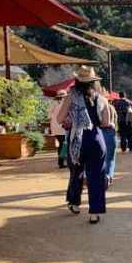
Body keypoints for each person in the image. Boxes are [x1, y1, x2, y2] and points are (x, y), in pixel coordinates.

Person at [57, 66, 110, 224]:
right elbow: (106, 122)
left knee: (76, 172)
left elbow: (59, 119)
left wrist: (72, 120)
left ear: (77, 81)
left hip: (77, 140)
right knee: (96, 177)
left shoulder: (70, 96)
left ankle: (74, 203)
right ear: (93, 82)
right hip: (96, 139)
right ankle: (94, 213)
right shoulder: (101, 98)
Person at [100, 87, 118, 186]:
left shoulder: (93, 104)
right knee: (110, 158)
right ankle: (108, 176)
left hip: (97, 132)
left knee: (99, 158)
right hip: (109, 131)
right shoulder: (110, 107)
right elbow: (114, 121)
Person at [48, 89, 68, 168]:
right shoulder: (64, 103)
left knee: (62, 144)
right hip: (62, 126)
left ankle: (62, 162)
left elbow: (49, 115)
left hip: (55, 127)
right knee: (63, 144)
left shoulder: (53, 103)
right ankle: (61, 162)